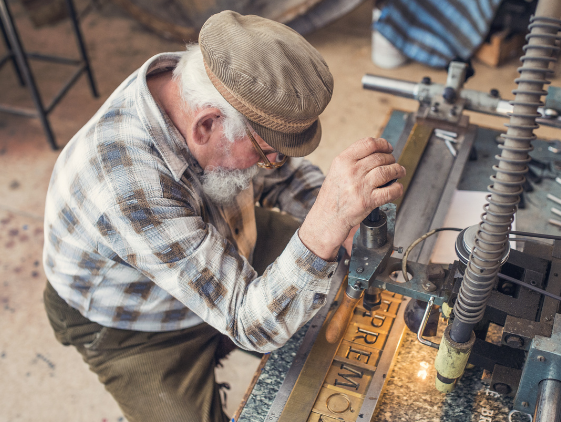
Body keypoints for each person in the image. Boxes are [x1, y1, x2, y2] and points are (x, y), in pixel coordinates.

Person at [42, 11, 405, 422]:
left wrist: (345, 224)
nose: (276, 163)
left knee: (327, 280)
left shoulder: (203, 85)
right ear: (207, 126)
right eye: (268, 152)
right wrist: (325, 224)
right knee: (288, 299)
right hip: (133, 324)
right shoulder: (125, 184)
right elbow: (250, 324)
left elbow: (282, 178)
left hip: (217, 230)